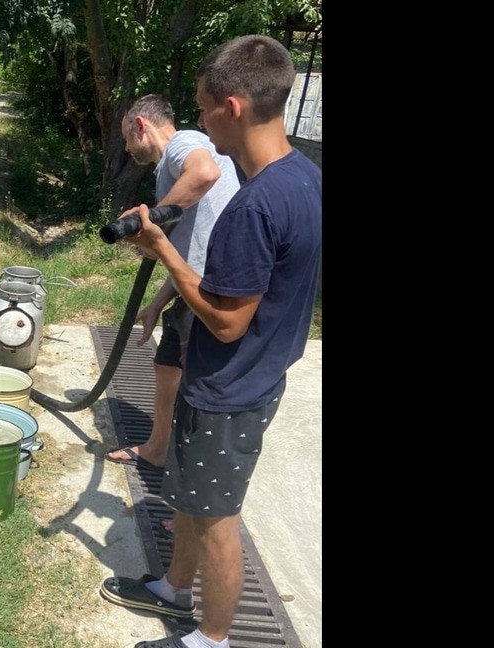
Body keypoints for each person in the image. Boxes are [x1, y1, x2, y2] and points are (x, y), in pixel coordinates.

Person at [97, 35, 322, 648]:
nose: (198, 123)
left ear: (233, 107)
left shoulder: (255, 206)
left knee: (219, 522)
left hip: (231, 385)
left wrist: (162, 248)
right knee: (192, 498)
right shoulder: (305, 177)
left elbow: (225, 322)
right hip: (254, 375)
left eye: (201, 110)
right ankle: (173, 588)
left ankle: (211, 639)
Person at [104, 94, 240, 473]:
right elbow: (190, 248)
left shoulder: (185, 144)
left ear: (140, 126)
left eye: (127, 139)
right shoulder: (173, 165)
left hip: (212, 292)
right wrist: (159, 302)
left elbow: (205, 173)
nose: (129, 149)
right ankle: (158, 449)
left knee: (200, 391)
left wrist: (154, 223)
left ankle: (194, 502)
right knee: (168, 369)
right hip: (193, 287)